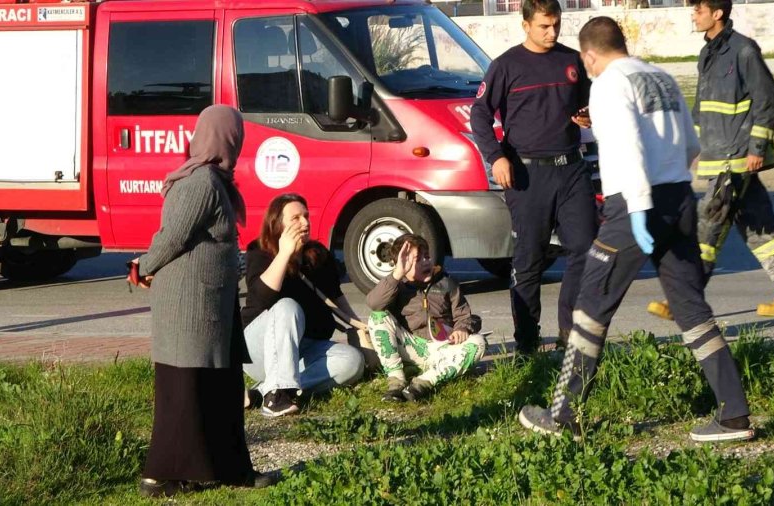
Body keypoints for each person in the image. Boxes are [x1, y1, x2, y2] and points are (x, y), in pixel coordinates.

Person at [518, 17, 755, 442]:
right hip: (679, 198)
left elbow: (628, 145)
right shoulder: (659, 76)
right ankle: (734, 415)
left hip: (633, 205)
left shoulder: (607, 83)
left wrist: (640, 210)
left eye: (586, 63)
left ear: (590, 55)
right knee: (692, 310)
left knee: (590, 307)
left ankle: (563, 416)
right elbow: (690, 146)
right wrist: (669, 195)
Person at [133, 106, 274, 498]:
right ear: (224, 138)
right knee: (185, 392)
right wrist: (140, 267)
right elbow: (173, 237)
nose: (239, 143)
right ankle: (160, 477)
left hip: (210, 306)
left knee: (221, 388)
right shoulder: (200, 183)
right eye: (235, 136)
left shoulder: (216, 181)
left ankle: (228, 469)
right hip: (188, 308)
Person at [647, 0, 774, 321]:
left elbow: (766, 99)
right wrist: (688, 148)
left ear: (717, 13)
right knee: (758, 224)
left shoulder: (744, 51)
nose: (693, 14)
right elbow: (702, 108)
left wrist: (757, 149)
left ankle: (684, 300)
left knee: (709, 222)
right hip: (716, 157)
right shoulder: (709, 53)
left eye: (698, 9)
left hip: (736, 157)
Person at [470, 0, 598, 353]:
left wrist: (588, 115)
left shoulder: (571, 60)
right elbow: (480, 115)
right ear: (525, 24)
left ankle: (569, 336)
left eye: (556, 25)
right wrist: (495, 156)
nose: (552, 32)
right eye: (544, 26)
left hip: (571, 169)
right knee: (529, 260)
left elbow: (589, 104)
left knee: (586, 250)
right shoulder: (506, 66)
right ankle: (526, 343)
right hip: (526, 175)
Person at [241, 193, 364, 417]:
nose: (305, 223)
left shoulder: (317, 255)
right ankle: (276, 399)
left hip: (303, 346)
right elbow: (261, 299)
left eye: (306, 216)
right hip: (258, 347)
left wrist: (359, 326)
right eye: (296, 218)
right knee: (287, 306)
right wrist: (286, 253)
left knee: (352, 361)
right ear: (277, 224)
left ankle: (262, 392)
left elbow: (335, 297)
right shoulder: (259, 252)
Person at [366, 234, 486, 402]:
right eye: (417, 259)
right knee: (377, 317)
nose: (425, 262)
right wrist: (397, 274)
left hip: (442, 348)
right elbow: (373, 304)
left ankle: (424, 382)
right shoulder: (396, 286)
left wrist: (462, 329)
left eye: (427, 256)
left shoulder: (446, 283)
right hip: (411, 347)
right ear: (402, 264)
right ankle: (396, 380)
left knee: (479, 342)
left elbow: (464, 314)